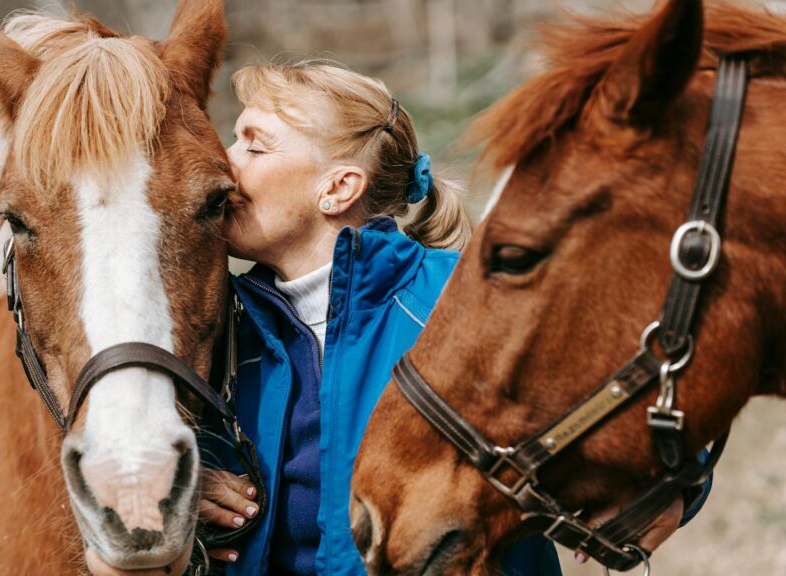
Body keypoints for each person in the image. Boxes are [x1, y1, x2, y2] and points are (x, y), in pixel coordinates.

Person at [199, 60, 711, 576]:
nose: (224, 160)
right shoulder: (215, 324)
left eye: (254, 145)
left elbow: (648, 390)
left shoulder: (462, 299)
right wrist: (181, 488)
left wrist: (677, 486)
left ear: (338, 188)